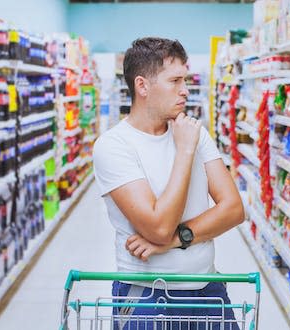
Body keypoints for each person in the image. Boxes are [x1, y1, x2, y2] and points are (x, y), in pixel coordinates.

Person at [93, 37, 244, 330]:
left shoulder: (194, 133)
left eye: (184, 80)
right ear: (143, 86)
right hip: (146, 297)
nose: (185, 90)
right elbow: (158, 226)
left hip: (208, 289)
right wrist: (185, 152)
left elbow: (233, 209)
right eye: (175, 81)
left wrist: (175, 241)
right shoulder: (114, 146)